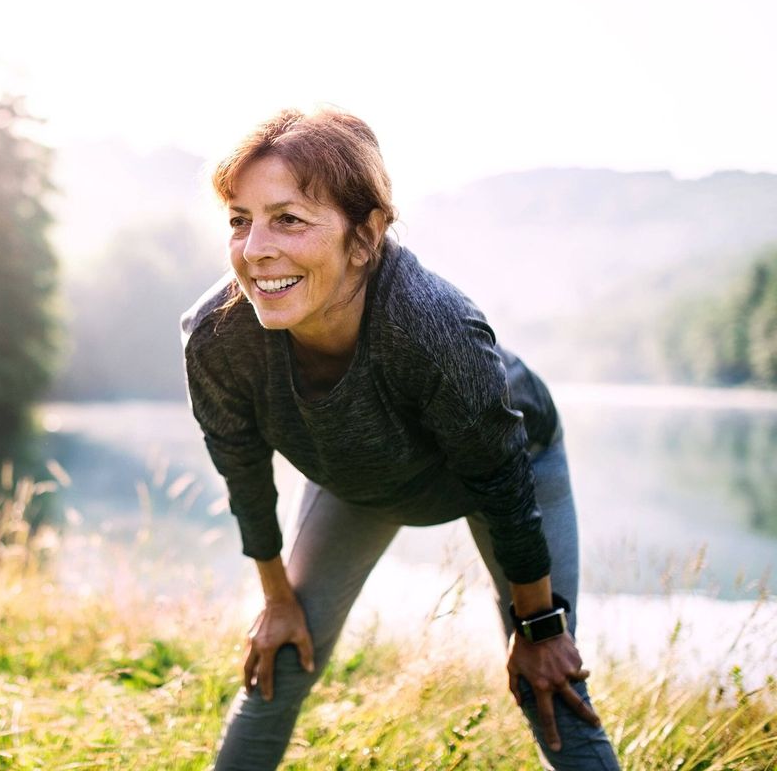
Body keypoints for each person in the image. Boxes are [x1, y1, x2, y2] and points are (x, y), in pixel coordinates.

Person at [180, 107, 622, 770]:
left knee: (549, 685)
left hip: (509, 468)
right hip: (358, 475)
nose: (255, 249)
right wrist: (276, 599)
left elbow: (501, 482)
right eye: (240, 220)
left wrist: (538, 627)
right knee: (280, 659)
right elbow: (239, 465)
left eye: (289, 219)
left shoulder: (434, 327)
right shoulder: (217, 336)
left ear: (365, 236)